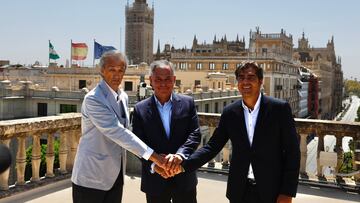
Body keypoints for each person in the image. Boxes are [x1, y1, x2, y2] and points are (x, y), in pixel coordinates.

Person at [180, 61, 300, 203]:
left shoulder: (279, 109)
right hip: (239, 191)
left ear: (260, 81)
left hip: (272, 191)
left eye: (251, 77)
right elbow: (212, 147)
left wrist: (287, 192)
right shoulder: (230, 112)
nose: (245, 82)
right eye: (241, 78)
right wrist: (182, 165)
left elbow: (293, 152)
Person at [71, 51, 166, 203]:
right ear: (102, 71)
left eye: (120, 70)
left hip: (115, 177)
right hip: (91, 178)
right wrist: (155, 156)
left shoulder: (123, 96)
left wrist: (153, 163)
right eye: (112, 69)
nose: (117, 74)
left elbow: (127, 136)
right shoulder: (93, 99)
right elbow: (117, 132)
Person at [132, 60, 201, 203]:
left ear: (174, 80)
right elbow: (138, 144)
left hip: (184, 178)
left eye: (167, 79)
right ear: (151, 81)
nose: (163, 83)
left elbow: (194, 134)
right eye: (158, 79)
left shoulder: (188, 103)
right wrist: (154, 164)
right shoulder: (140, 109)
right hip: (155, 181)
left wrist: (180, 156)